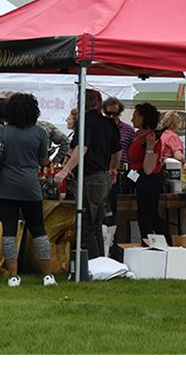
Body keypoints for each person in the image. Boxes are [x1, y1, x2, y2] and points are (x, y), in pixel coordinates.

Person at [0, 92, 57, 287]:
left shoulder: (1, 131)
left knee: (9, 230)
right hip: (30, 186)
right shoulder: (39, 132)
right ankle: (48, 275)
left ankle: (13, 276)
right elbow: (43, 161)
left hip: (4, 187)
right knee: (38, 229)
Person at [58, 88, 120, 263]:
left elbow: (82, 148)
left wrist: (65, 170)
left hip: (89, 178)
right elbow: (117, 152)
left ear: (81, 103)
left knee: (87, 226)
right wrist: (113, 170)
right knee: (96, 225)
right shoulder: (109, 123)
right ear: (99, 104)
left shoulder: (84, 122)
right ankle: (102, 262)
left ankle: (95, 264)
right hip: (102, 178)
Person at [127, 102, 166, 243]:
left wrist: (149, 147)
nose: (132, 119)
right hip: (140, 179)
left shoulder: (152, 138)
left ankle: (151, 245)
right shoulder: (139, 135)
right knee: (149, 215)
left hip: (149, 180)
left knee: (147, 217)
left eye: (135, 116)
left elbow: (149, 169)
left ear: (144, 118)